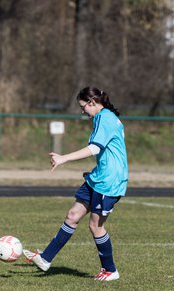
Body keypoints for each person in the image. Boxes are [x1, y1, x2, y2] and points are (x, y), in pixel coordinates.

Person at [23, 86, 128, 281]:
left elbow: (94, 148)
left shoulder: (105, 118)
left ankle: (110, 270)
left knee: (95, 226)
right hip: (99, 177)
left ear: (92, 102)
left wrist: (64, 158)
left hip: (110, 182)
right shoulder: (102, 117)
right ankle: (45, 258)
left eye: (83, 106)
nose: (82, 111)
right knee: (72, 215)